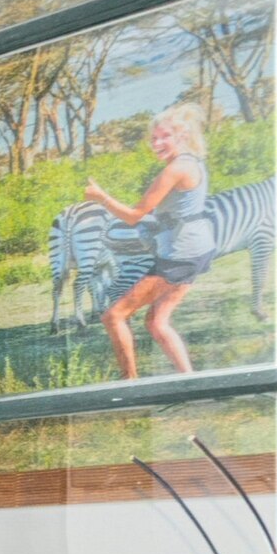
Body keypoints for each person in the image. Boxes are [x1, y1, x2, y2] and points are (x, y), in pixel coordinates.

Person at [82, 103, 214, 379]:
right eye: (154, 138)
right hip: (196, 251)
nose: (157, 143)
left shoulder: (175, 169)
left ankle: (130, 385)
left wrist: (100, 196)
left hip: (180, 255)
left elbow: (133, 216)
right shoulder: (192, 162)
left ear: (182, 135)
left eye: (164, 136)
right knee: (156, 322)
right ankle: (190, 381)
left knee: (114, 316)